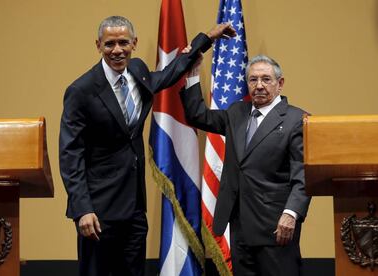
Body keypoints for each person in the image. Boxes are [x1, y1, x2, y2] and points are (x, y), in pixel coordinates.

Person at [59, 15, 235, 276]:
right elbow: (70, 154)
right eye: (109, 44)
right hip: (98, 212)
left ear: (134, 43)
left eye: (123, 43)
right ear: (98, 45)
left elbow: (167, 74)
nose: (117, 50)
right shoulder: (81, 90)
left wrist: (206, 38)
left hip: (134, 209)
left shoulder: (138, 71)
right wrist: (82, 209)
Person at [180, 54, 311, 275]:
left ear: (280, 84)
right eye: (253, 80)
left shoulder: (296, 120)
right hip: (240, 226)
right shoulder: (237, 113)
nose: (259, 85)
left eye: (266, 79)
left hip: (276, 226)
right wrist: (192, 75)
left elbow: (304, 173)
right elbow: (197, 116)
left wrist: (292, 213)